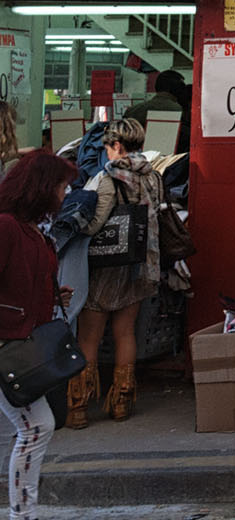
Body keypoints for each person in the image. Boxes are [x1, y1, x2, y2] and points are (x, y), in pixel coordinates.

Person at [70, 117, 164, 426]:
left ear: (117, 145)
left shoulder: (109, 177)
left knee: (89, 338)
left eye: (107, 147)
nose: (106, 153)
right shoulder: (154, 176)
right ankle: (121, 403)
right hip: (140, 264)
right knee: (125, 333)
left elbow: (95, 223)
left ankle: (78, 407)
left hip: (106, 267)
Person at [0, 148, 75, 520]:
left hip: (17, 345)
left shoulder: (31, 232)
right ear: (43, 187)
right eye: (61, 186)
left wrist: (49, 296)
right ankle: (22, 514)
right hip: (8, 345)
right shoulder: (9, 227)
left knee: (23, 429)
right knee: (36, 425)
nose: (65, 194)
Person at [123, 69, 188, 154]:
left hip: (137, 159)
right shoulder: (179, 111)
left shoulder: (132, 110)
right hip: (169, 161)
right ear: (178, 90)